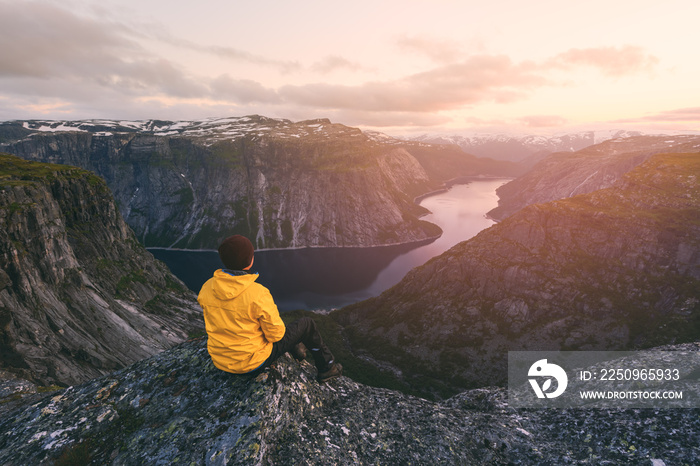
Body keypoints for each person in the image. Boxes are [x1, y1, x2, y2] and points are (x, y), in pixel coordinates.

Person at [197, 234, 342, 383]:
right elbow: (276, 335)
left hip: (220, 360)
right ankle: (328, 367)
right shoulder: (257, 293)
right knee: (306, 324)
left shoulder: (207, 287)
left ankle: (297, 349)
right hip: (252, 363)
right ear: (251, 260)